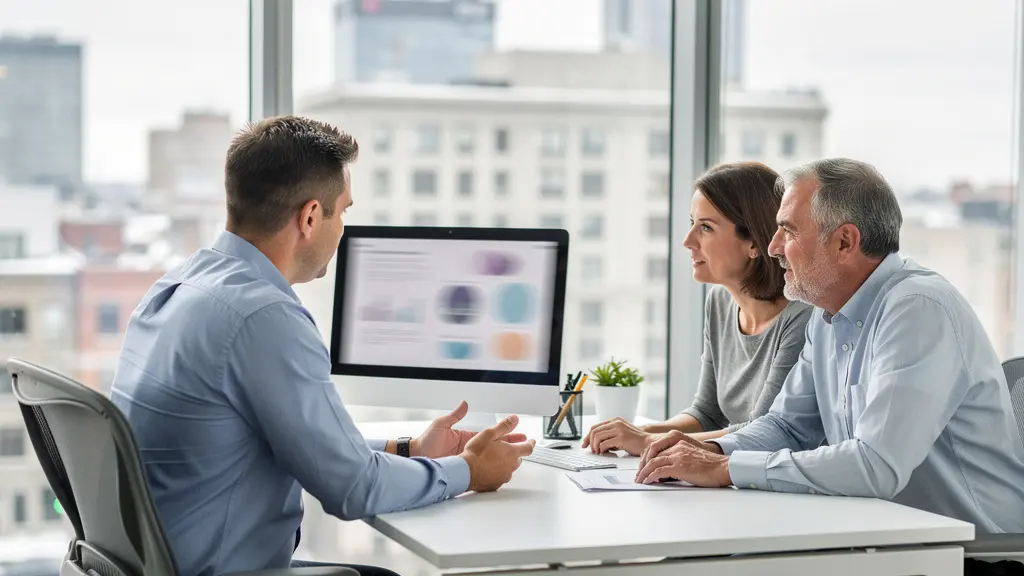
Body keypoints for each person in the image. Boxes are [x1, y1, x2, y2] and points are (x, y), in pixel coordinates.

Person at [109, 116, 536, 576]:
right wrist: (470, 471)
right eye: (344, 211)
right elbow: (354, 490)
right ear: (311, 217)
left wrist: (411, 448)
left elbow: (294, 444)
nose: (343, 229)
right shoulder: (263, 317)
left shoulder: (179, 285)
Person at [633, 158, 1024, 537]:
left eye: (787, 231)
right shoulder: (828, 315)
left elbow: (876, 464)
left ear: (844, 241)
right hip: (891, 539)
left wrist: (727, 468)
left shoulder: (917, 309)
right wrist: (712, 450)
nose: (772, 247)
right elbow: (787, 426)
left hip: (973, 552)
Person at [582, 162, 812, 455]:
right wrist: (636, 431)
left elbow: (763, 430)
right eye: (693, 223)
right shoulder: (719, 302)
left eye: (705, 227)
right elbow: (706, 413)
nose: (688, 241)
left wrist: (647, 442)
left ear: (754, 242)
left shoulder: (802, 318)